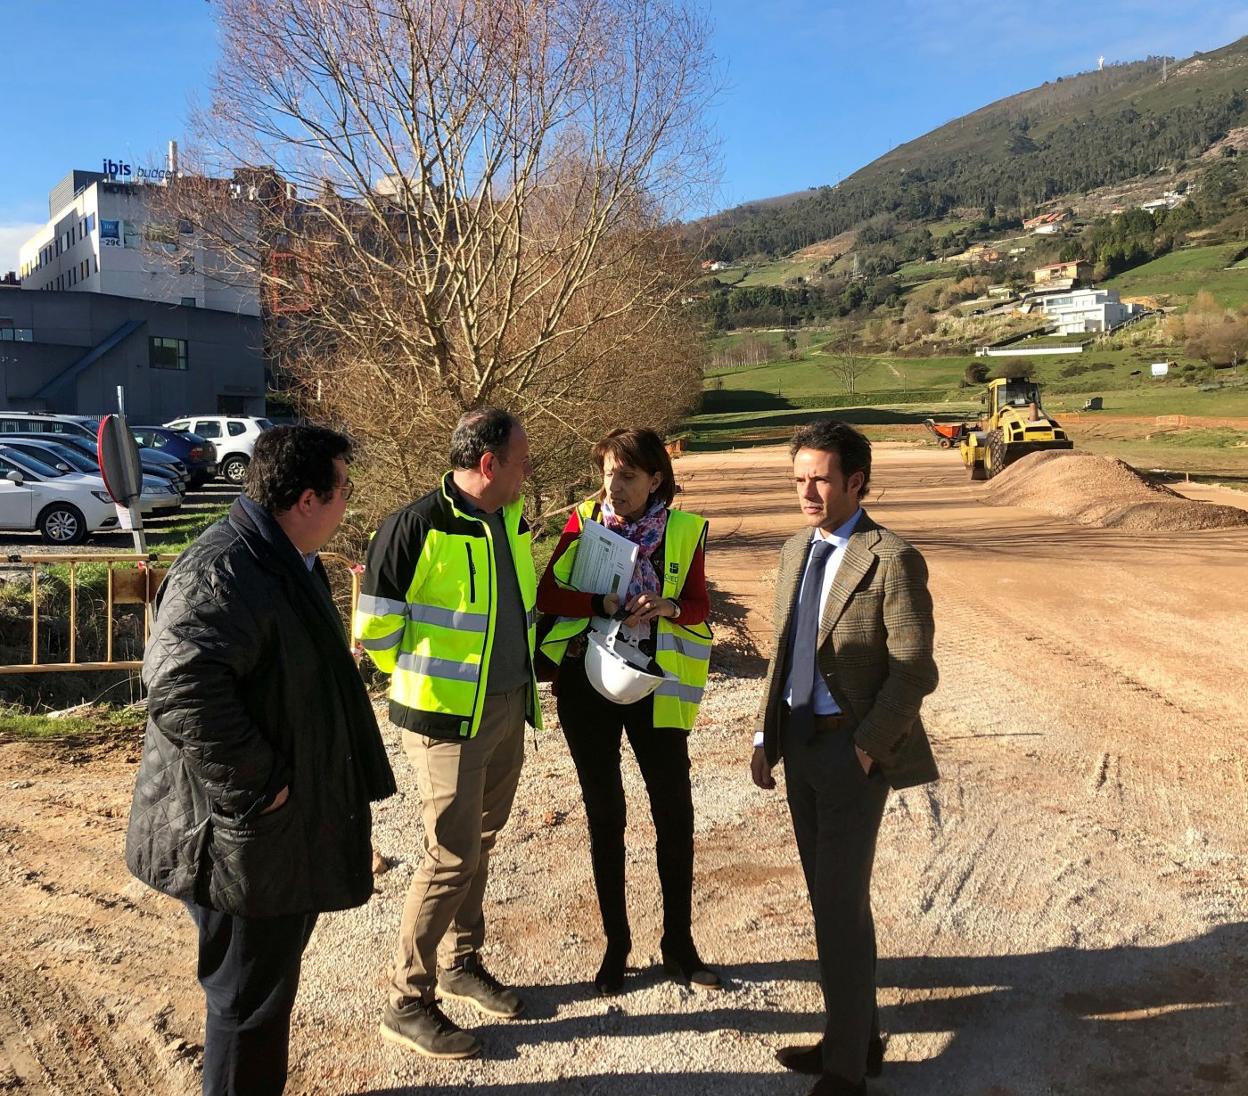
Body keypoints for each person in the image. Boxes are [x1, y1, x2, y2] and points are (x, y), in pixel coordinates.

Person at [125, 425, 396, 1096]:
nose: (347, 503)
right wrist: (263, 788)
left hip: (267, 830)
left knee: (262, 994)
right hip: (239, 834)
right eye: (342, 490)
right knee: (247, 1004)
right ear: (306, 500)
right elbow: (180, 688)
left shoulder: (279, 557)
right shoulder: (226, 569)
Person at [750, 419, 939, 1096]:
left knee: (837, 908)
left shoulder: (892, 559)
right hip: (799, 745)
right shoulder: (794, 550)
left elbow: (913, 671)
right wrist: (765, 737)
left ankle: (846, 1073)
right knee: (833, 904)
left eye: (821, 479)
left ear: (856, 481)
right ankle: (858, 1040)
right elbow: (784, 652)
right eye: (799, 479)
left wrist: (866, 750)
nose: (807, 492)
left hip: (851, 756)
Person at [355, 407, 539, 1061]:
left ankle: (461, 963)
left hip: (506, 708)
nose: (527, 472)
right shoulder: (413, 527)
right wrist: (430, 685)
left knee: (478, 842)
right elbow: (376, 631)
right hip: (445, 722)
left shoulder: (510, 520)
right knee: (450, 857)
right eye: (521, 461)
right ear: (488, 464)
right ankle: (407, 1000)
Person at [536, 427, 719, 996]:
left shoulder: (683, 531)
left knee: (674, 814)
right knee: (605, 815)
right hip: (587, 684)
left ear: (656, 479)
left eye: (627, 475)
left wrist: (668, 606)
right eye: (607, 473)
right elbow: (547, 595)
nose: (613, 486)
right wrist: (601, 601)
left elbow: (699, 605)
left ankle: (679, 944)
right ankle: (616, 945)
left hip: (656, 685)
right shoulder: (583, 522)